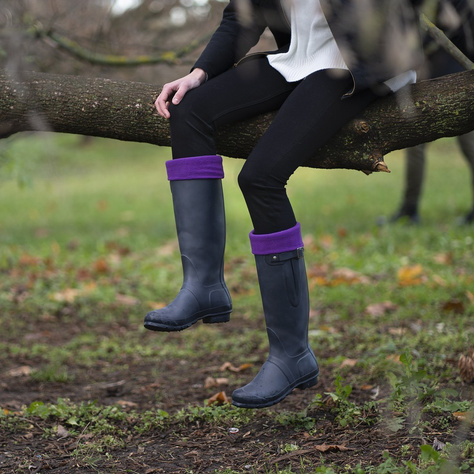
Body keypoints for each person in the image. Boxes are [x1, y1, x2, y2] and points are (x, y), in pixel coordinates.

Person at [145, 0, 424, 409]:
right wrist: (198, 73)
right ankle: (203, 286)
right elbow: (241, 18)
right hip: (296, 60)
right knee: (189, 110)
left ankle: (292, 355)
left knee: (261, 178)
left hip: (355, 66)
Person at [390, 0, 474, 225]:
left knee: (470, 145)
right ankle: (409, 209)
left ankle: (409, 209)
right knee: (415, 145)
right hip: (426, 77)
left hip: (459, 80)